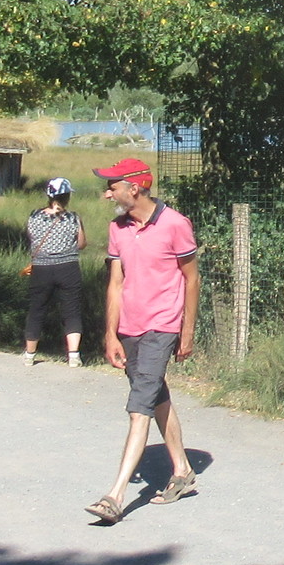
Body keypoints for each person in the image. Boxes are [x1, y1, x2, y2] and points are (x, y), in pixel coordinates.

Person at [85, 157, 200, 524]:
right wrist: (110, 334)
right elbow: (115, 284)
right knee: (154, 394)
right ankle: (182, 470)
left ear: (134, 188)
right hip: (129, 328)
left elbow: (191, 279)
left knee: (139, 408)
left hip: (161, 326)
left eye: (113, 187)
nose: (108, 194)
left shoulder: (175, 224)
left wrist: (186, 331)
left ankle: (114, 496)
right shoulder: (117, 228)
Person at [20, 177, 86, 366]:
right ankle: (74, 355)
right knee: (71, 310)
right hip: (68, 267)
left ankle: (30, 354)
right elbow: (81, 243)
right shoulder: (73, 218)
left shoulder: (34, 216)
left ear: (49, 196)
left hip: (41, 268)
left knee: (37, 309)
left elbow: (31, 237)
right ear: (67, 196)